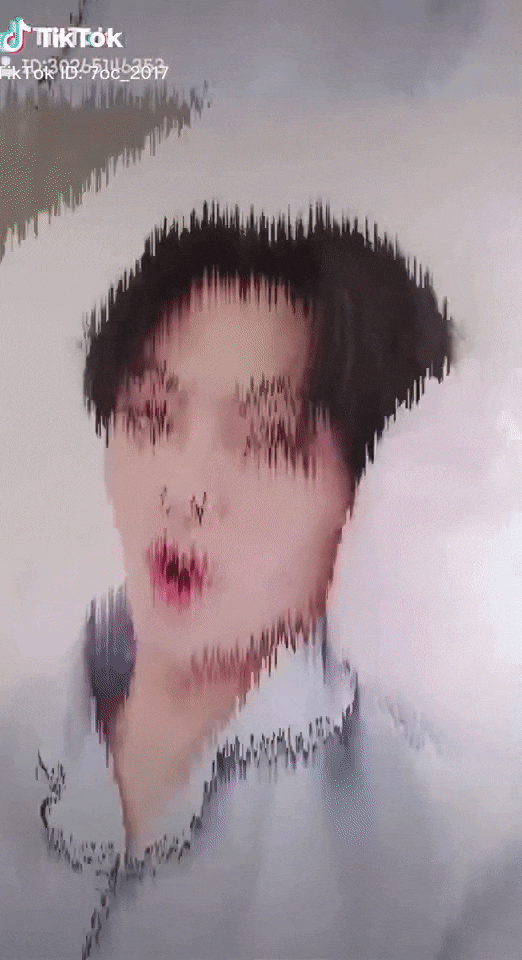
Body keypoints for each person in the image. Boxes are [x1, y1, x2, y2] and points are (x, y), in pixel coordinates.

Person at [38, 201, 460, 960]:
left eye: (266, 440)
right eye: (151, 415)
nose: (184, 492)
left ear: (369, 489)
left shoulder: (446, 848)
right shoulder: (5, 745)